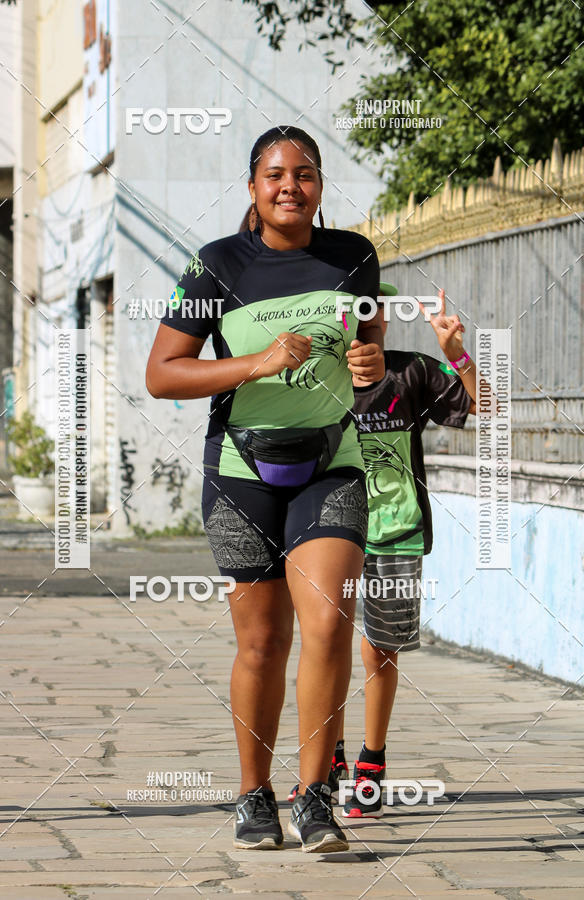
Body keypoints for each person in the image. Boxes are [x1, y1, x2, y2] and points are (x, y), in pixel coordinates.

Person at [146, 126, 384, 852]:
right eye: (275, 174)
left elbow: (366, 348)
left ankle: (315, 797)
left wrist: (370, 366)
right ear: (253, 187)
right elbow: (162, 375)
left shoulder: (355, 257)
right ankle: (254, 796)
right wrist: (253, 362)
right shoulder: (218, 265)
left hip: (332, 463)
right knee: (262, 644)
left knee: (328, 625)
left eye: (305, 173)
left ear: (319, 185)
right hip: (243, 472)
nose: (291, 186)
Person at [340, 287, 486, 818]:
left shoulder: (412, 373)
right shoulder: (315, 380)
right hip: (329, 530)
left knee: (379, 647)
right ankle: (325, 759)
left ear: (385, 317)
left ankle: (370, 763)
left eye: (370, 309)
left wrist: (457, 355)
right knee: (323, 642)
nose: (361, 322)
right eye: (348, 309)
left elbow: (488, 411)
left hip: (397, 532)